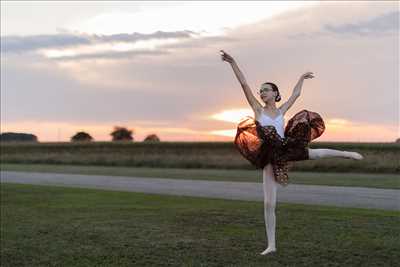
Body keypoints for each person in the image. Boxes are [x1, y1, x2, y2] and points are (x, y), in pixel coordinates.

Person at [220, 50, 364, 255]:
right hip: (269, 155)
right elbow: (243, 84)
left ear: (275, 94)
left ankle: (346, 154)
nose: (262, 93)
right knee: (269, 203)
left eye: (266, 90)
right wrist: (232, 62)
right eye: (260, 91)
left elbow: (296, 95)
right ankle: (271, 245)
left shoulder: (281, 111)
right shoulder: (257, 110)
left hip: (286, 147)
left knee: (315, 154)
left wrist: (301, 79)